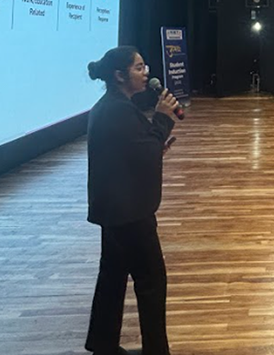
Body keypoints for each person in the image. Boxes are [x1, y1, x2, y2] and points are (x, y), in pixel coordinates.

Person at [85, 46, 180, 355]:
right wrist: (163, 120)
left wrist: (153, 145)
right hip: (129, 213)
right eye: (139, 68)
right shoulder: (118, 110)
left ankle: (103, 344)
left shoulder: (111, 106)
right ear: (119, 75)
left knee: (112, 277)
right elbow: (144, 149)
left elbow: (132, 151)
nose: (147, 72)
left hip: (113, 209)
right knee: (152, 281)